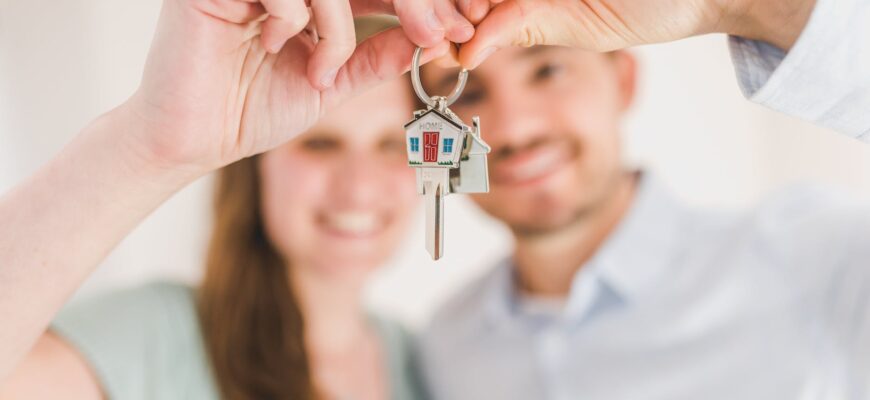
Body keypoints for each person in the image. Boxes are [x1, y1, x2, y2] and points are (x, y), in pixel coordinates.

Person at [0, 0, 486, 388]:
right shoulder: (153, 335)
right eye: (320, 144)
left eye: (387, 145)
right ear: (256, 170)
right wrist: (150, 148)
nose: (359, 186)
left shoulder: (422, 359)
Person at [416, 0, 870, 398]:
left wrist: (743, 5)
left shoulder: (813, 256)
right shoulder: (445, 345)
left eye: (547, 70)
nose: (515, 129)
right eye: (468, 93)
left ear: (624, 80)